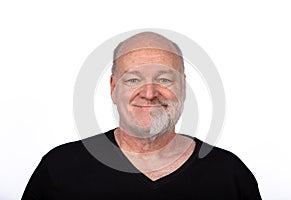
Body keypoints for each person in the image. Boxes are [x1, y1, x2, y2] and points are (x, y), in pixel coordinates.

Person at [21, 32, 262, 199]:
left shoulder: (230, 175)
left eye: (164, 79)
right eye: (133, 79)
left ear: (184, 88)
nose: (148, 93)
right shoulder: (59, 168)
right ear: (113, 88)